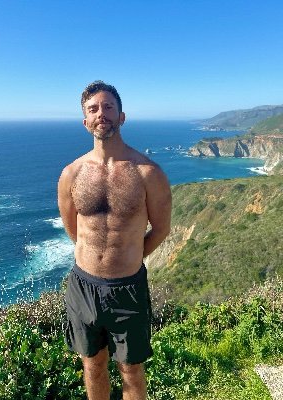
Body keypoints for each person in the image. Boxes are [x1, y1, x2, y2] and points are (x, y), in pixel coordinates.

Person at [58, 80, 172, 400]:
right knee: (92, 364)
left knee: (131, 369)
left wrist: (129, 258)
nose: (101, 114)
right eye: (93, 109)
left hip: (128, 288)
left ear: (122, 116)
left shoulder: (148, 173)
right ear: (85, 121)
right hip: (83, 286)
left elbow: (161, 229)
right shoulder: (71, 174)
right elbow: (73, 229)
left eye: (108, 107)